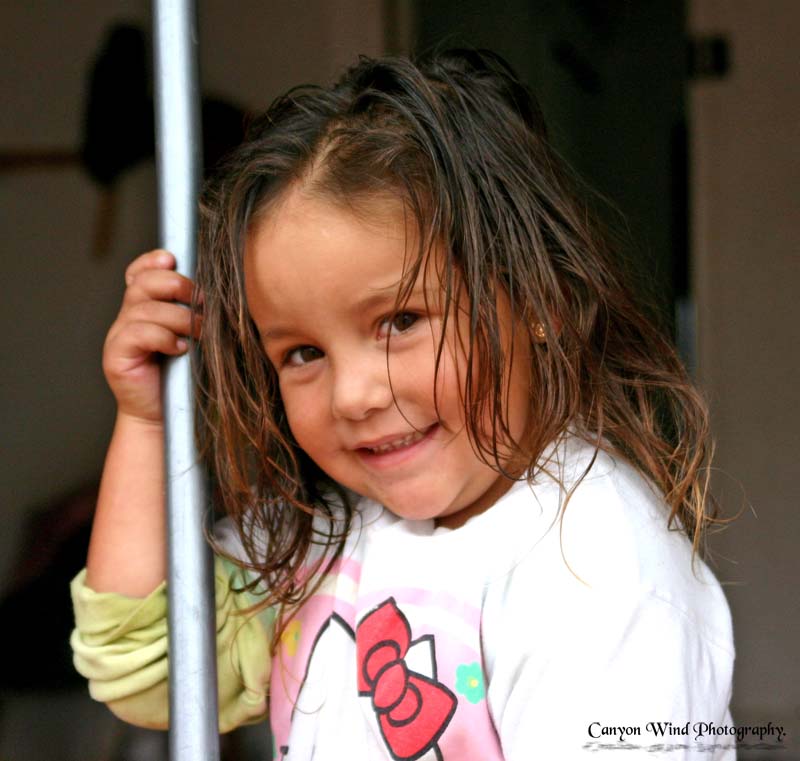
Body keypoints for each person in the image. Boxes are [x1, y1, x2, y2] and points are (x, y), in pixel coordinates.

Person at [71, 49, 735, 759]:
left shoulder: (598, 559)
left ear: (542, 299)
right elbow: (149, 663)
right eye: (303, 353)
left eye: (401, 321)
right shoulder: (327, 538)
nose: (354, 394)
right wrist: (146, 420)